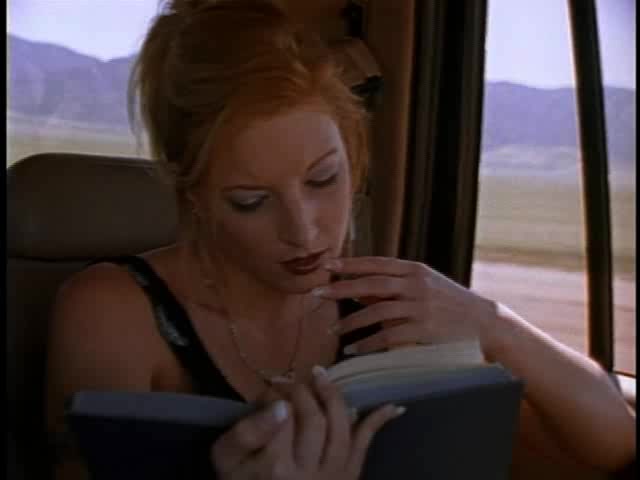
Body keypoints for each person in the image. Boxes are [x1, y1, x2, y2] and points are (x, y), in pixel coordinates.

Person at [45, 0, 635, 479]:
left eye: (324, 180)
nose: (303, 231)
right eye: (251, 201)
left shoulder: (390, 307)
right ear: (194, 194)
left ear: (354, 158)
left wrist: (491, 323)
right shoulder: (114, 313)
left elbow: (615, 443)